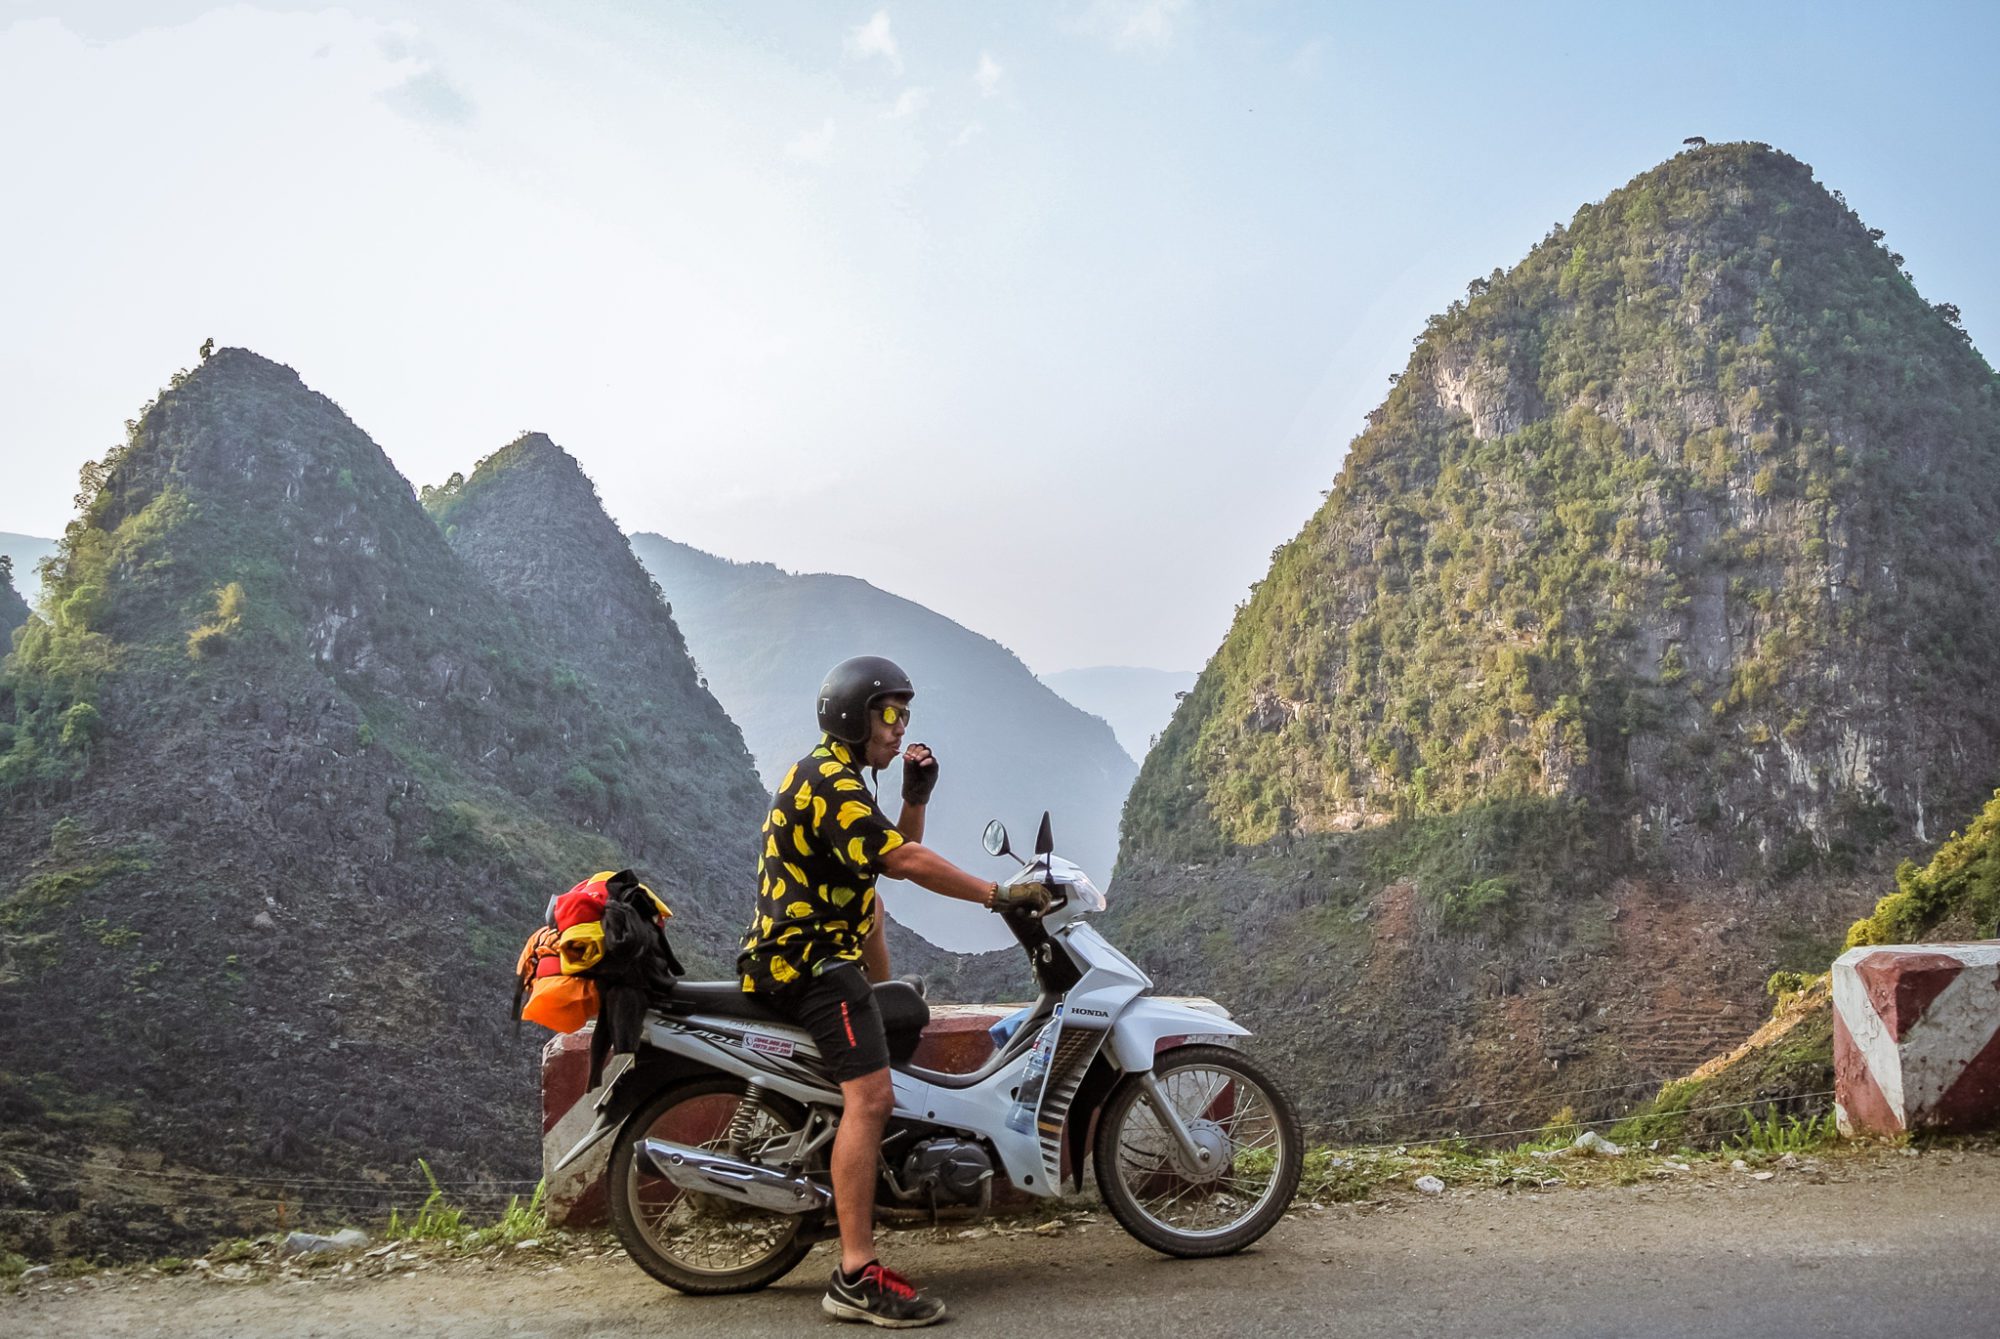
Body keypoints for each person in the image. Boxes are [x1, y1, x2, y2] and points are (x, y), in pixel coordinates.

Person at [738, 655, 1045, 1328]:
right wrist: (998, 894)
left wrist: (915, 795)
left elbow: (885, 863)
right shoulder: (828, 781)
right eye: (889, 712)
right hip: (811, 965)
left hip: (823, 957)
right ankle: (854, 1272)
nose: (900, 725)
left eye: (905, 713)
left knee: (902, 1007)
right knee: (871, 1096)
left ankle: (869, 1180)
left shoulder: (840, 775)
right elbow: (904, 861)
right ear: (854, 713)